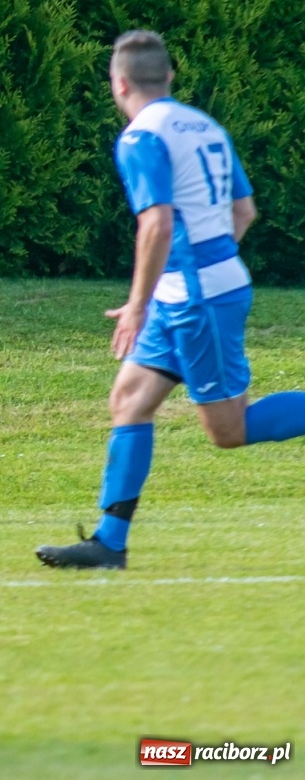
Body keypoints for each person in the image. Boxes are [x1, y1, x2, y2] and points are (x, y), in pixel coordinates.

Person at [37, 31, 305, 569]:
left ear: (119, 83)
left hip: (193, 299)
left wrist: (139, 304)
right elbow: (244, 211)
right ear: (169, 78)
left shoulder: (141, 138)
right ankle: (109, 544)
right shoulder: (204, 126)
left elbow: (156, 224)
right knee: (130, 399)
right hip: (191, 291)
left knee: (228, 430)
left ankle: (110, 543)